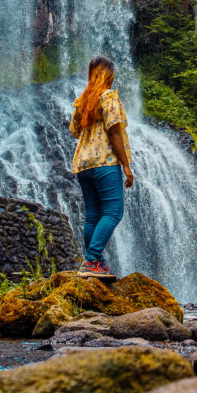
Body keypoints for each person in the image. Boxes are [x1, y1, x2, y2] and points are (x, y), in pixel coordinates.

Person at [69, 56, 134, 279]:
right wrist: (126, 165)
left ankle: (97, 264)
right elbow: (114, 131)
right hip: (105, 162)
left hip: (82, 164)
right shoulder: (108, 97)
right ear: (109, 75)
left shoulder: (82, 102)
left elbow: (75, 132)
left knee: (93, 216)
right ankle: (91, 260)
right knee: (114, 212)